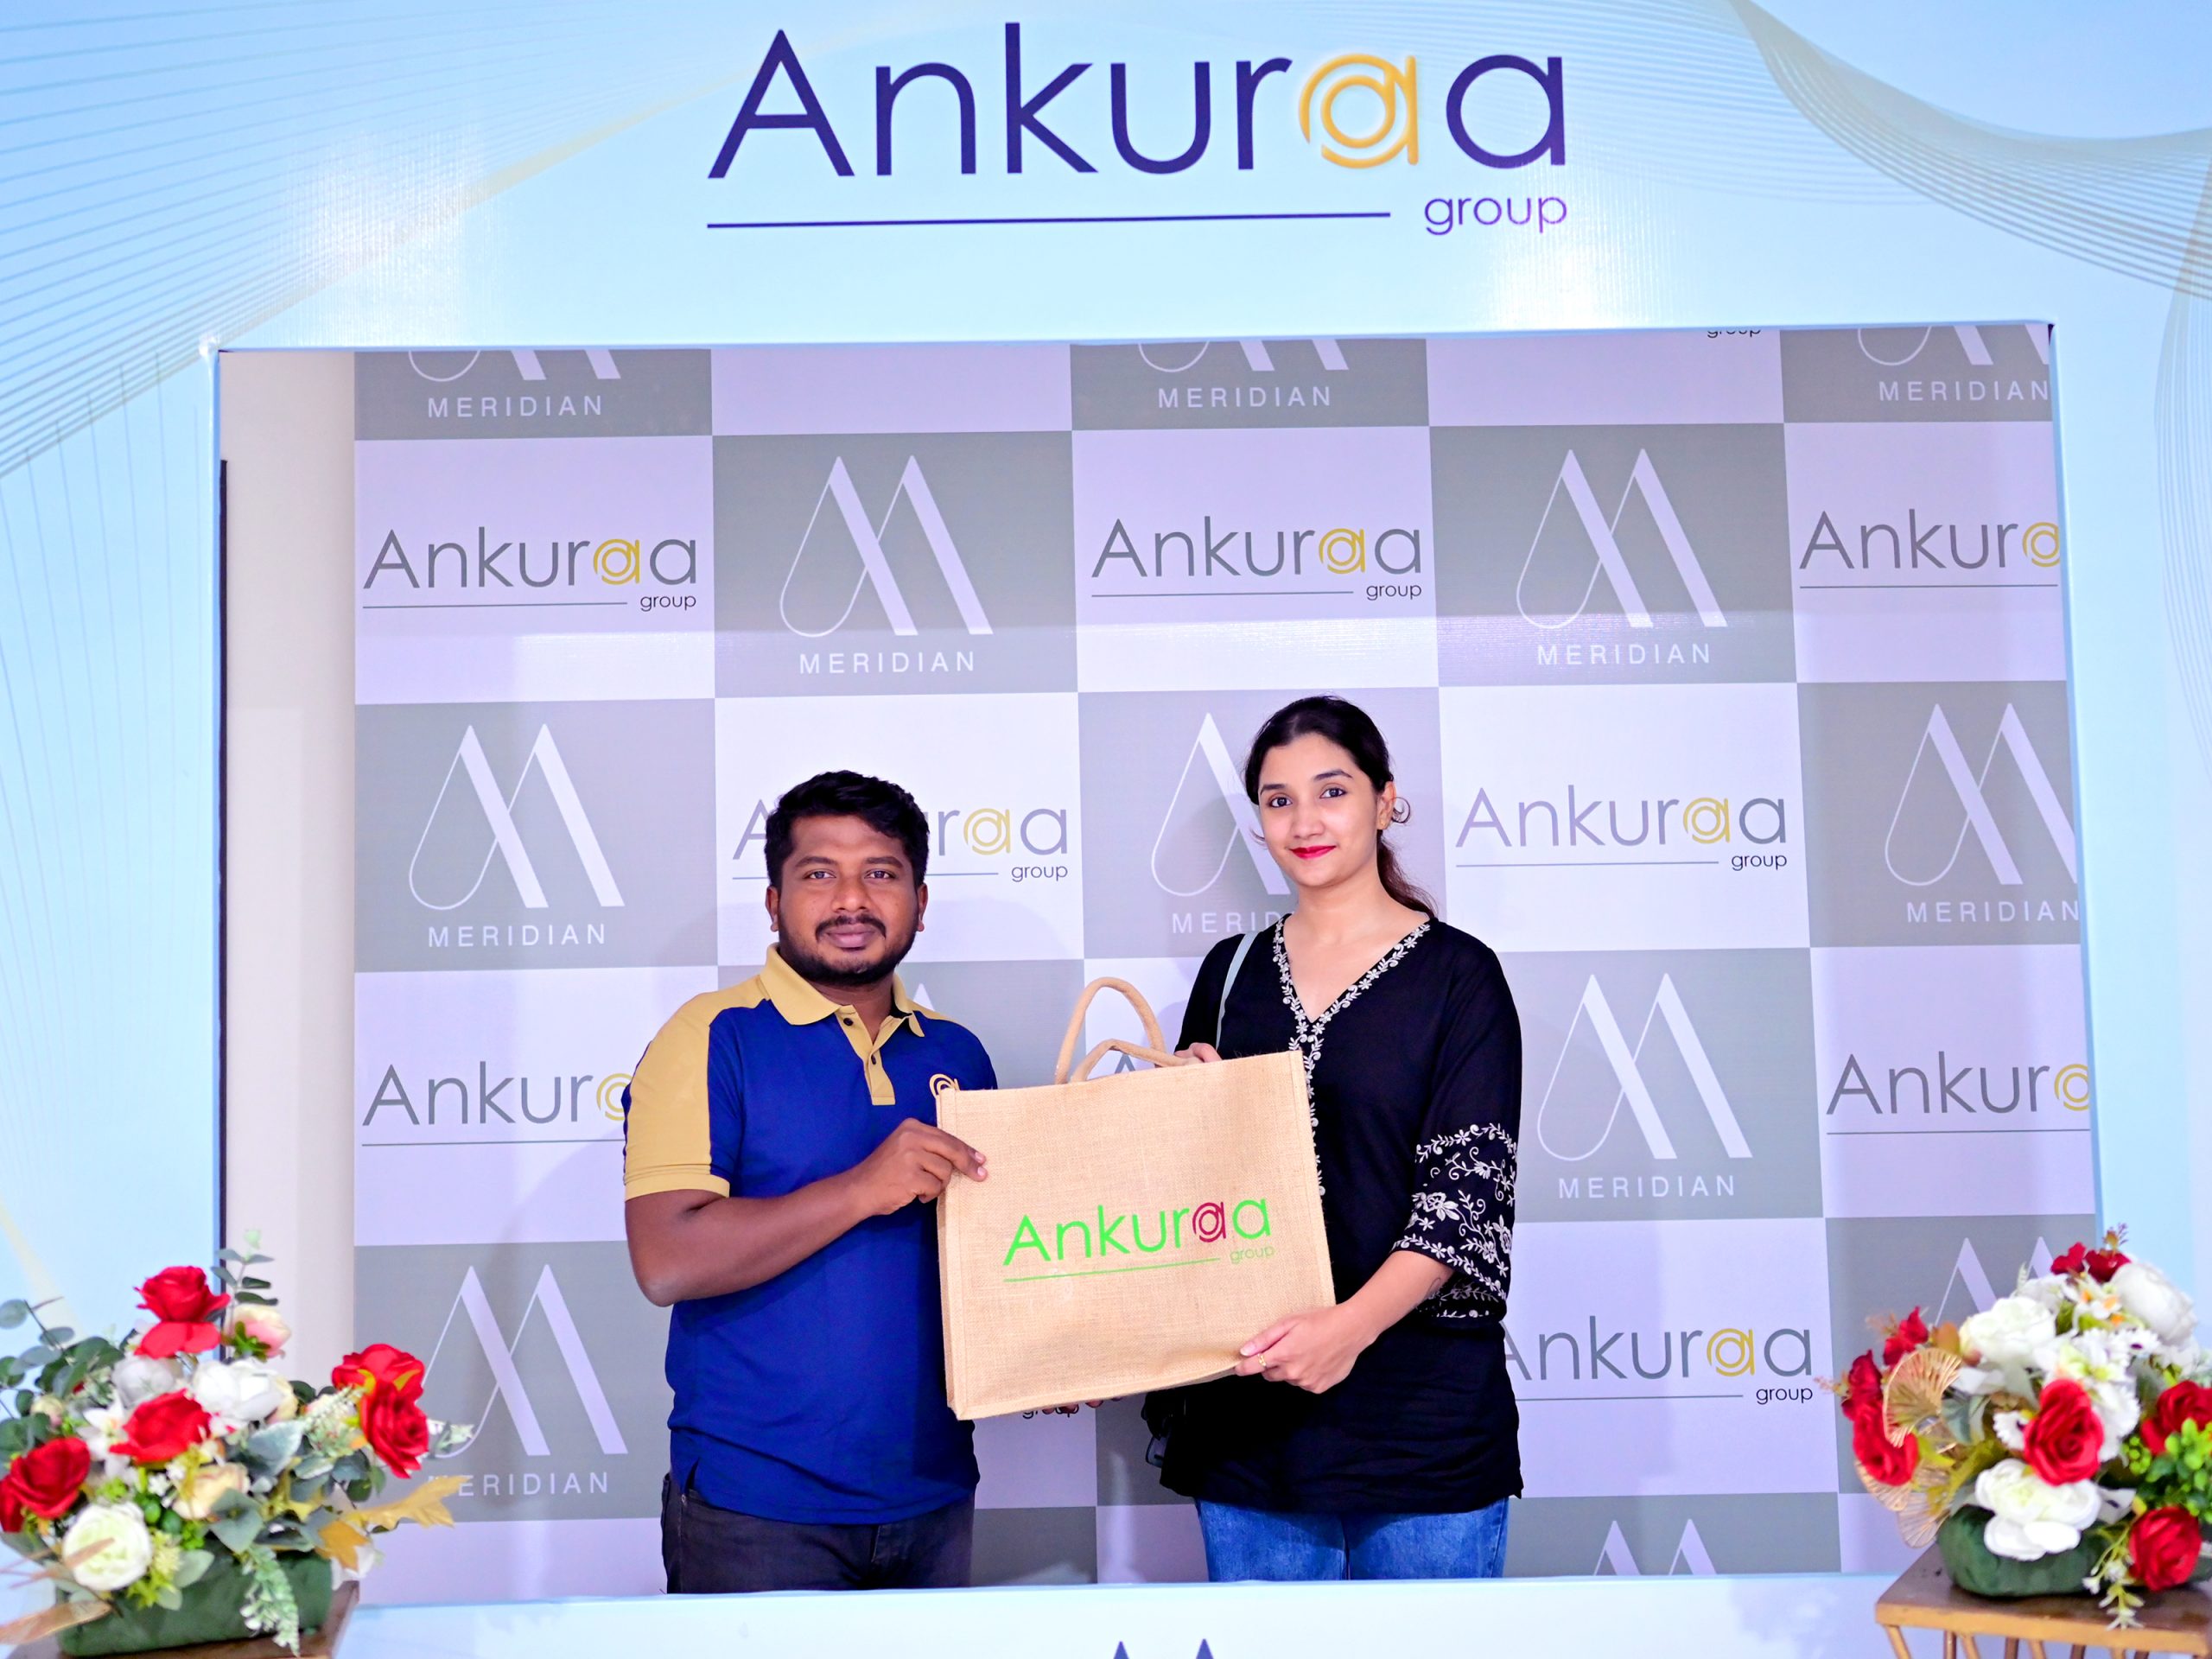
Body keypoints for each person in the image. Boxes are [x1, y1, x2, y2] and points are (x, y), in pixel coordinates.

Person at [1146, 695, 1523, 1581]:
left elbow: (1464, 1205)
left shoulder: (1459, 975)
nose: (1304, 822)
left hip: (1420, 1415)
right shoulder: (1230, 973)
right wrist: (1184, 1112)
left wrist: (1347, 1330)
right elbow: (1193, 1199)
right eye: (1278, 801)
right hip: (1251, 1410)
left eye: (1332, 791)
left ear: (1385, 800)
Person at [621, 770, 995, 1593]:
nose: (851, 899)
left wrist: (1055, 1348)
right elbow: (666, 1260)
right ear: (773, 901)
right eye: (819, 873)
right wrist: (862, 1188)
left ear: (920, 902)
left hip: (935, 1494)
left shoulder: (958, 1053)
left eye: (881, 873)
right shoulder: (712, 1035)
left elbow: (990, 1259)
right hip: (757, 1508)